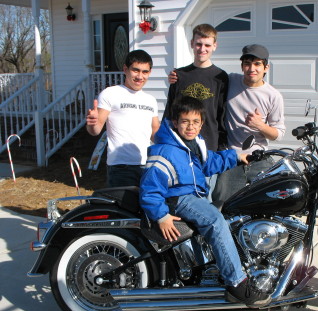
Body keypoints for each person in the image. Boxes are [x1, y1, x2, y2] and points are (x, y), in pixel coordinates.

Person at [140, 96, 270, 307]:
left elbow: (209, 163)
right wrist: (161, 215)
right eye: (185, 121)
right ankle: (236, 282)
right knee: (215, 221)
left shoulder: (192, 144)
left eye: (195, 122)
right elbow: (150, 188)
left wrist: (237, 156)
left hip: (193, 196)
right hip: (178, 197)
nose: (190, 126)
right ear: (175, 122)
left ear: (201, 123)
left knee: (231, 214)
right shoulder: (165, 150)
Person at [212, 44, 286, 205]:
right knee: (221, 205)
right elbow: (204, 75)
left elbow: (278, 134)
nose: (251, 68)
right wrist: (178, 77)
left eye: (257, 64)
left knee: (270, 203)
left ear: (266, 67)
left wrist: (260, 125)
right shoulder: (230, 81)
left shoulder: (273, 96)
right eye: (247, 63)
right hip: (232, 157)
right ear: (242, 66)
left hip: (259, 159)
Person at [86, 50, 160, 187]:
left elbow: (155, 132)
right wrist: (92, 123)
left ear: (149, 72)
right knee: (123, 208)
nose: (140, 76)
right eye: (136, 70)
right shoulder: (110, 93)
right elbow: (95, 130)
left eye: (145, 72)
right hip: (121, 167)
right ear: (125, 69)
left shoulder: (150, 100)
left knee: (145, 207)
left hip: (147, 165)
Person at [164, 23, 228, 152]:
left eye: (207, 45)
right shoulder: (179, 75)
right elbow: (169, 111)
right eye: (198, 44)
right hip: (179, 144)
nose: (202, 49)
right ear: (192, 43)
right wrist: (164, 138)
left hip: (209, 144)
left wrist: (221, 146)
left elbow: (222, 114)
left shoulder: (220, 77)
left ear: (214, 46)